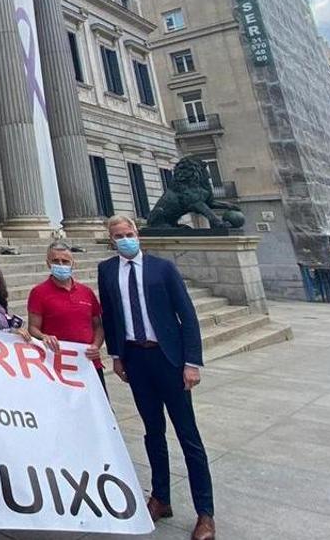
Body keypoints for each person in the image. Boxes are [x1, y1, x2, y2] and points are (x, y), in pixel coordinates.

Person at [98, 214, 215, 540]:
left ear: (138, 234)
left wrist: (192, 362)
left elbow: (186, 315)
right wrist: (117, 356)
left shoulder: (162, 268)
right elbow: (110, 315)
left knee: (188, 436)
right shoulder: (107, 270)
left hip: (169, 360)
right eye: (118, 235)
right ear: (111, 239)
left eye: (128, 233)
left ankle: (205, 513)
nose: (124, 239)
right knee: (153, 432)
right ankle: (160, 497)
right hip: (136, 360)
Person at [27, 241, 107, 392]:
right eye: (55, 261)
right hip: (57, 365)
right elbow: (33, 327)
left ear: (73, 263)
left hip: (88, 362)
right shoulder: (38, 292)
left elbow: (97, 325)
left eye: (65, 261)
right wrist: (44, 336)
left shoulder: (86, 292)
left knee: (99, 410)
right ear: (48, 263)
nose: (61, 264)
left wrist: (96, 345)